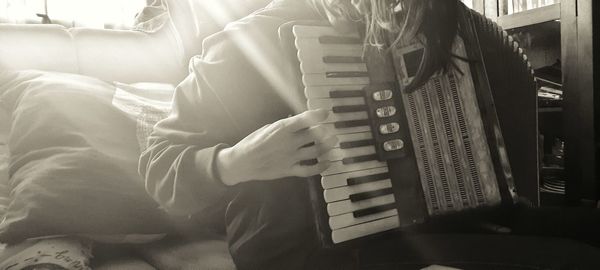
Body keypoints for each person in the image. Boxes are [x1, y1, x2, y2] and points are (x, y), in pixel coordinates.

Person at [139, 0, 600, 269]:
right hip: (304, 252)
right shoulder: (249, 43)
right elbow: (158, 165)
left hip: (440, 226)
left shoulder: (448, 25)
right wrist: (232, 163)